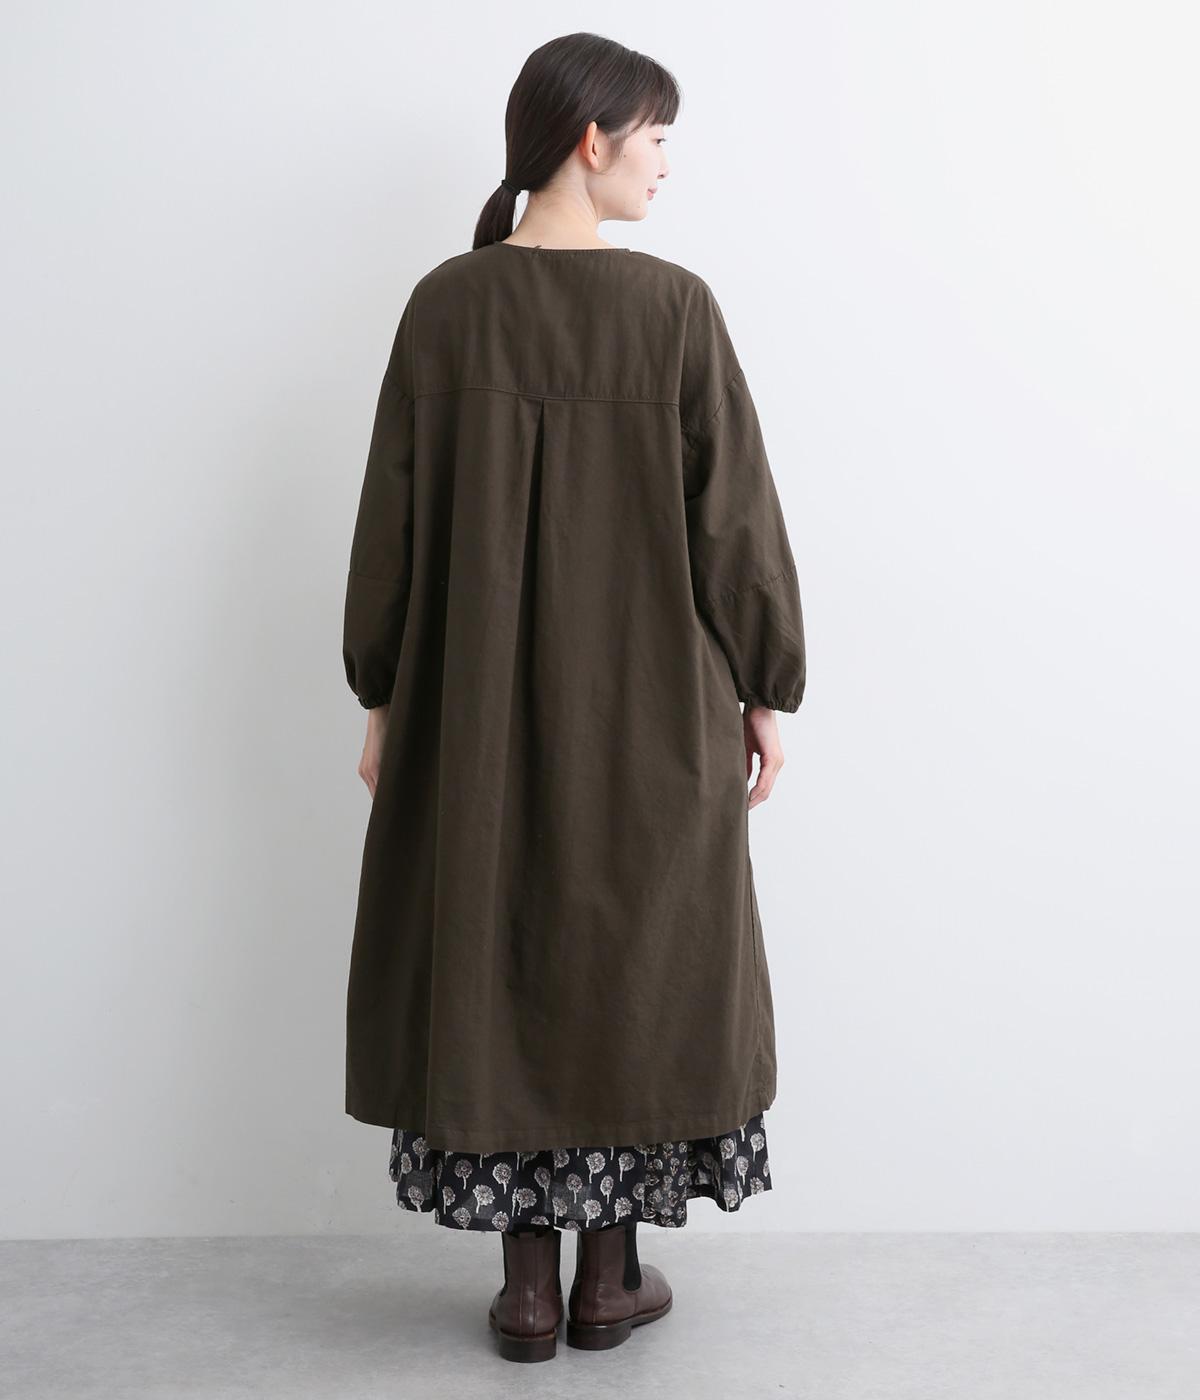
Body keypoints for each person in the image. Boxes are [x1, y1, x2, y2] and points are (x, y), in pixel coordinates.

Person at [341, 32, 806, 1364]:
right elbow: (736, 523)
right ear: (590, 140)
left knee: (501, 952)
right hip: (653, 714)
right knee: (633, 959)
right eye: (655, 136)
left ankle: (529, 1294)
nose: (666, 162)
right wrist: (766, 686)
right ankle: (612, 1279)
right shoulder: (675, 311)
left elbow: (389, 528)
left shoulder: (446, 308)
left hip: (471, 718)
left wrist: (382, 694)